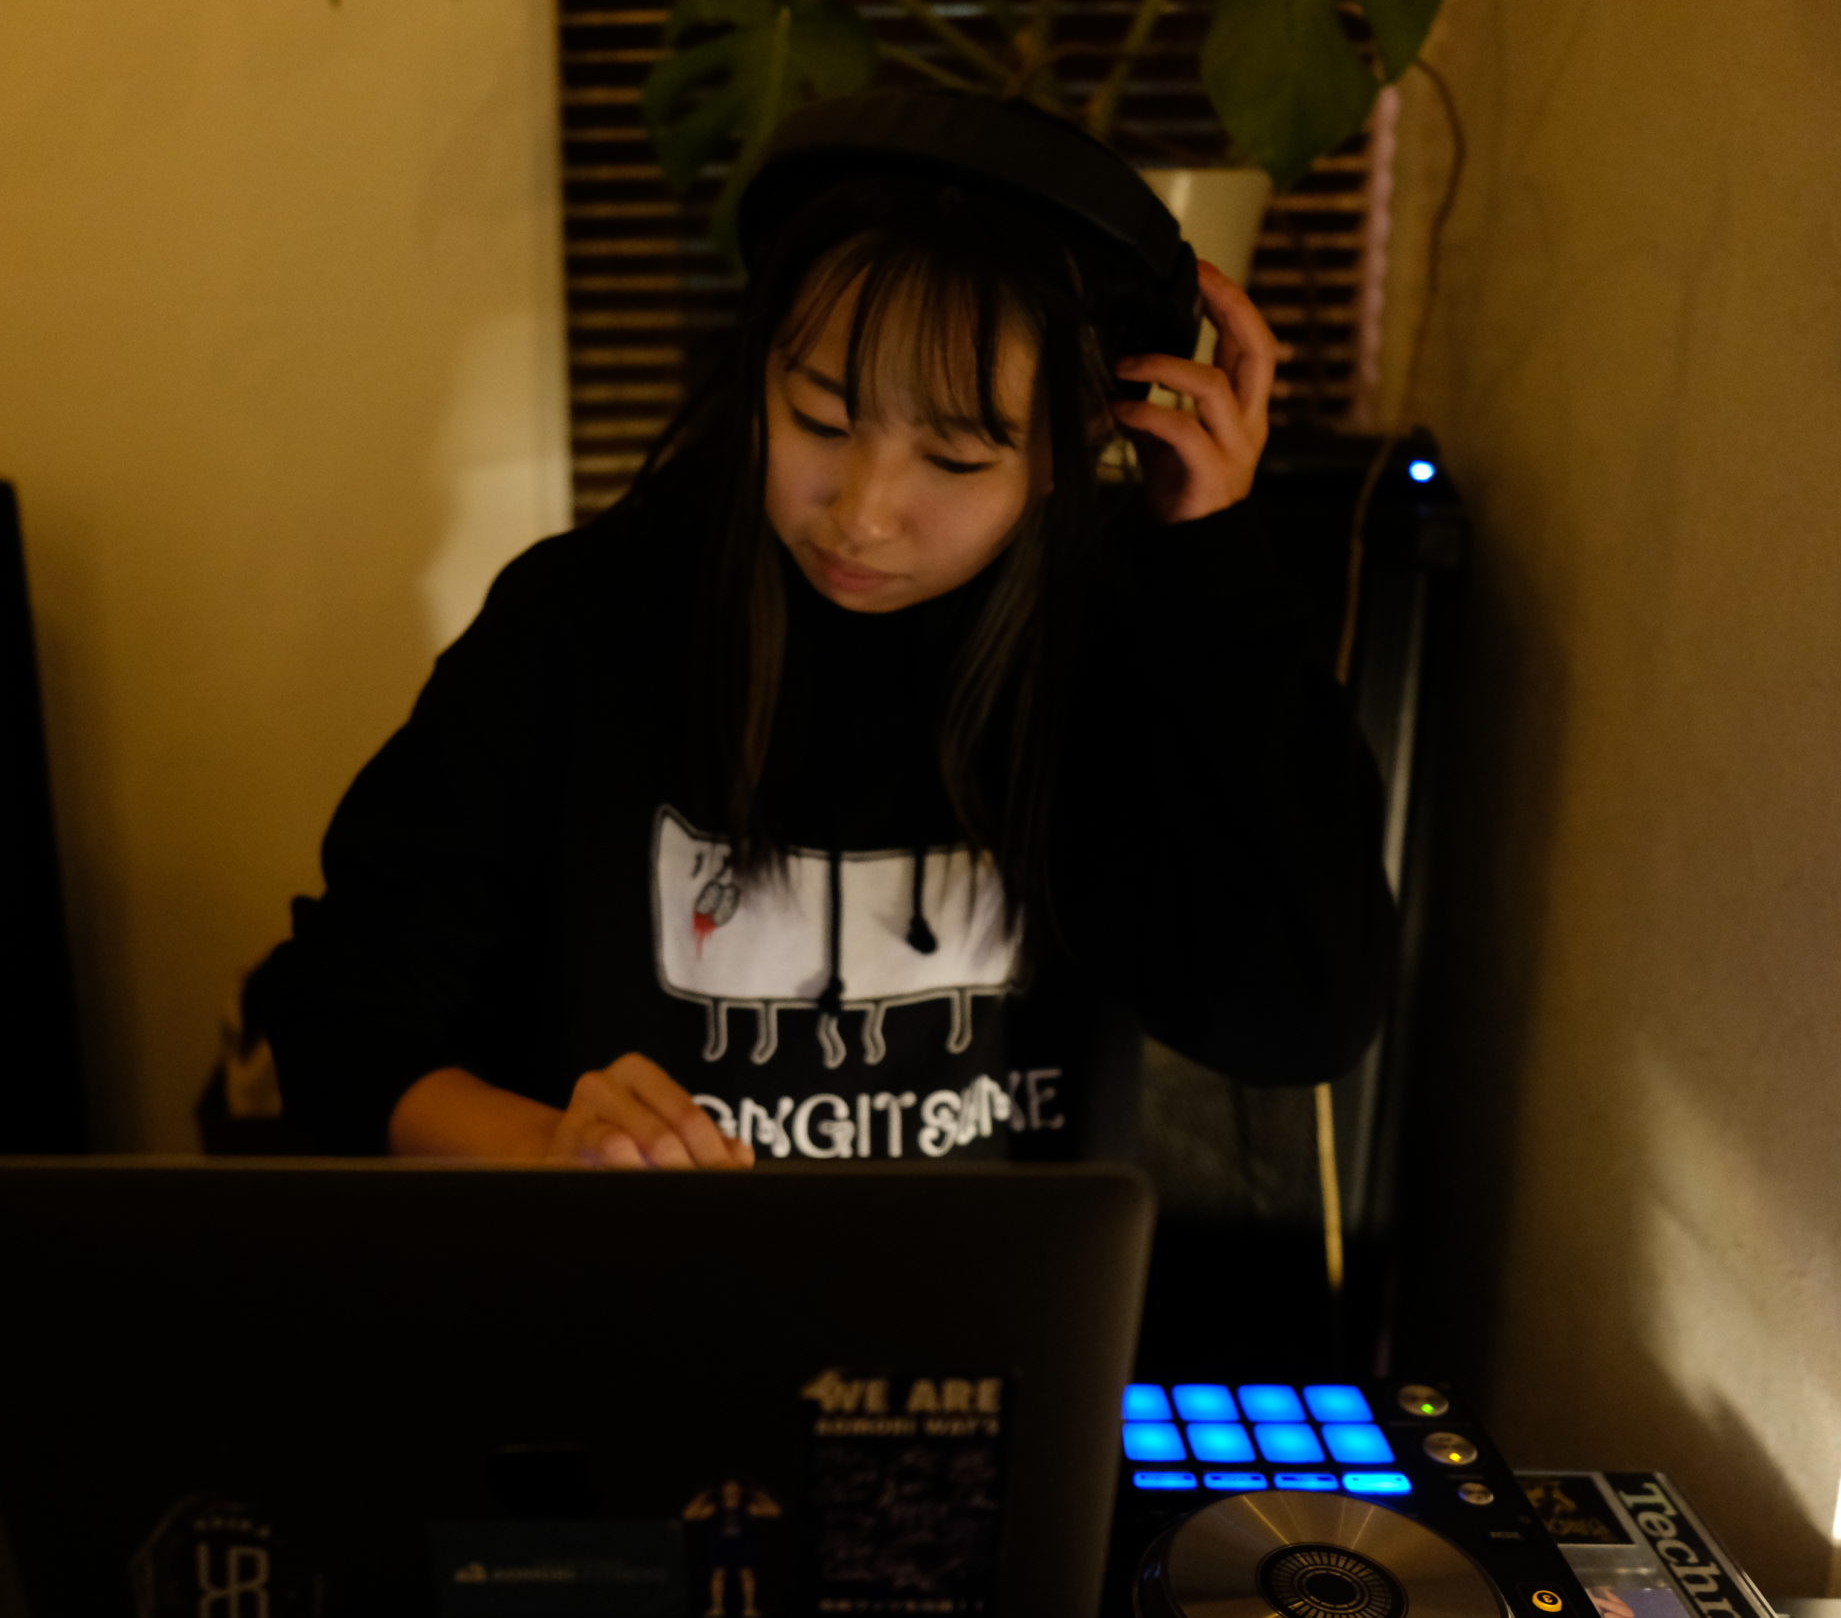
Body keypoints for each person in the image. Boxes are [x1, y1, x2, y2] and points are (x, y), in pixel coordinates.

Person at [255, 92, 1396, 1168]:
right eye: (818, 418)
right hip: (625, 1298)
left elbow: (1302, 1019)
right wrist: (553, 1151)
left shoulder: (1118, 644)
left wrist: (1212, 566)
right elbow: (337, 1018)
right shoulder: (581, 622)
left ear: (1078, 441)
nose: (861, 515)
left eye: (954, 458)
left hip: (993, 1306)